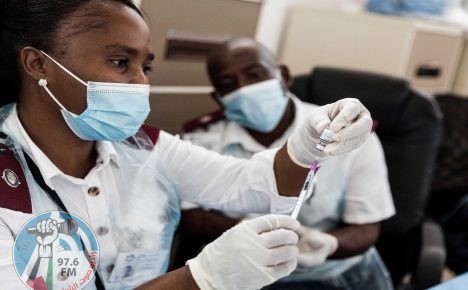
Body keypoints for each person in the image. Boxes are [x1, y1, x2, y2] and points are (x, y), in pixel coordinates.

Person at [0, 1, 374, 290]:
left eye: (145, 67)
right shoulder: (8, 183)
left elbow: (249, 184)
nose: (140, 82)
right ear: (37, 64)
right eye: (119, 62)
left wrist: (308, 145)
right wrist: (203, 277)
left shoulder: (144, 148)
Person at [180, 37, 395, 289]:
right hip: (244, 274)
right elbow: (193, 217)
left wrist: (328, 244)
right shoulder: (199, 140)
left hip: (335, 274)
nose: (244, 88)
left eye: (255, 74)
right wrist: (247, 232)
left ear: (283, 75)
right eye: (228, 84)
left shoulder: (347, 132)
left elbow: (366, 226)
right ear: (218, 97)